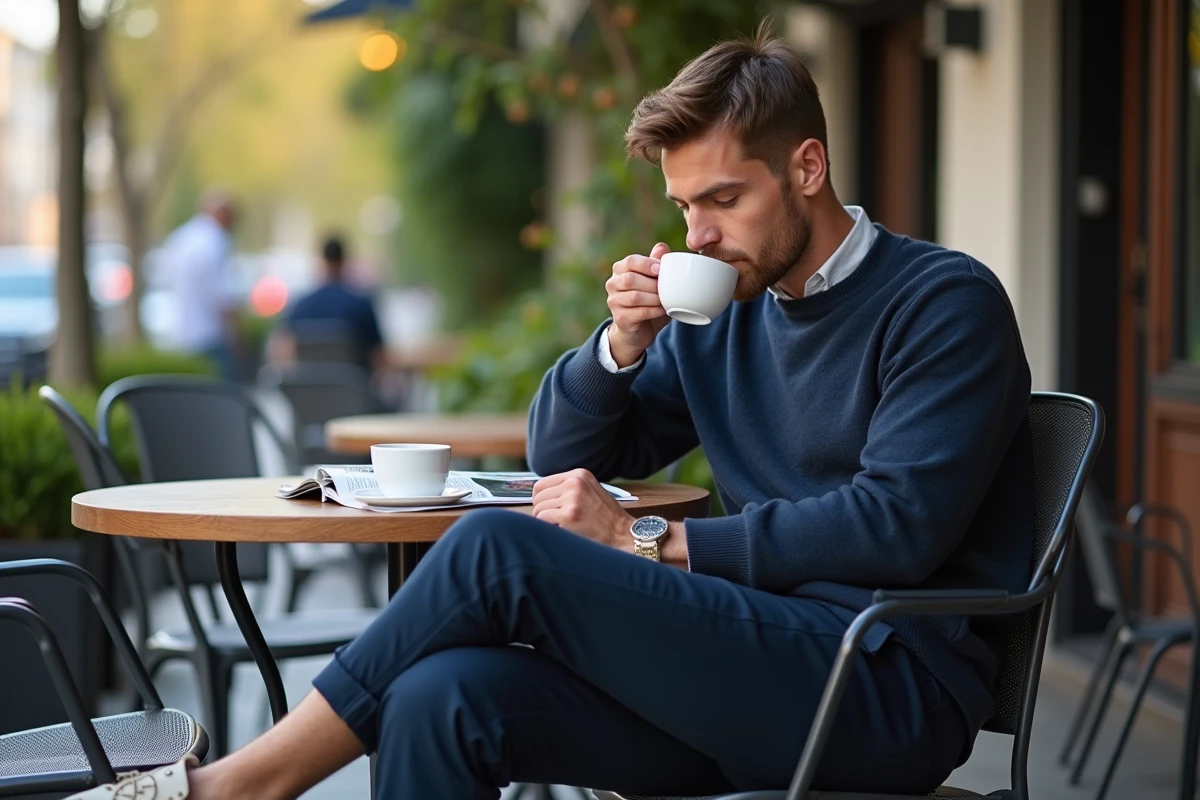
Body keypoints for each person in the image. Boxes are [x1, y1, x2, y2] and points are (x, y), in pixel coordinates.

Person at [70, 21, 1034, 800]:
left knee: (498, 550)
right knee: (439, 699)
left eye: (725, 200)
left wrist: (652, 547)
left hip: (882, 683)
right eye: (684, 207)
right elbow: (558, 453)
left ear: (809, 170)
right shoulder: (724, 310)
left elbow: (897, 527)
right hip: (747, 669)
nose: (699, 235)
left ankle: (239, 786)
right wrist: (617, 349)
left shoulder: (941, 302)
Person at [268, 235, 387, 371]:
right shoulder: (361, 305)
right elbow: (379, 355)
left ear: (322, 261)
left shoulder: (300, 307)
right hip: (352, 388)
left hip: (309, 387)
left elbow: (280, 350)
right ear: (343, 261)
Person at [161, 189, 242, 381]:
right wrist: (238, 337)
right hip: (210, 336)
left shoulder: (180, 238)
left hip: (181, 335)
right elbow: (224, 299)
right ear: (223, 215)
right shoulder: (216, 242)